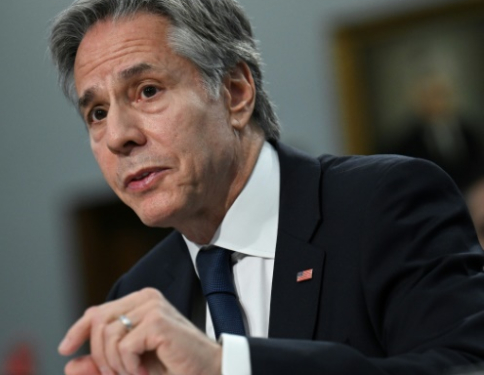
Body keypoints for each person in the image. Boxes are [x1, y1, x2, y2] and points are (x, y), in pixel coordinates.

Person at [48, 1, 484, 374]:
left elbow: (466, 366)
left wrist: (227, 365)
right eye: (97, 113)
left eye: (146, 90)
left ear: (236, 93)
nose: (118, 136)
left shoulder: (386, 203)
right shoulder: (139, 292)